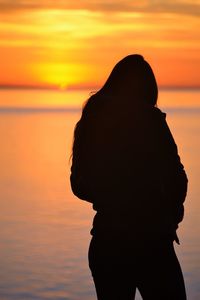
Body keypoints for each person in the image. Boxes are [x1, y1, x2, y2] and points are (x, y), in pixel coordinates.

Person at [70, 54, 188, 299]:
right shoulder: (152, 121)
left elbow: (79, 184)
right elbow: (178, 178)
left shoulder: (93, 119)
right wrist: (170, 214)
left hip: (107, 241)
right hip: (152, 243)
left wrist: (111, 197)